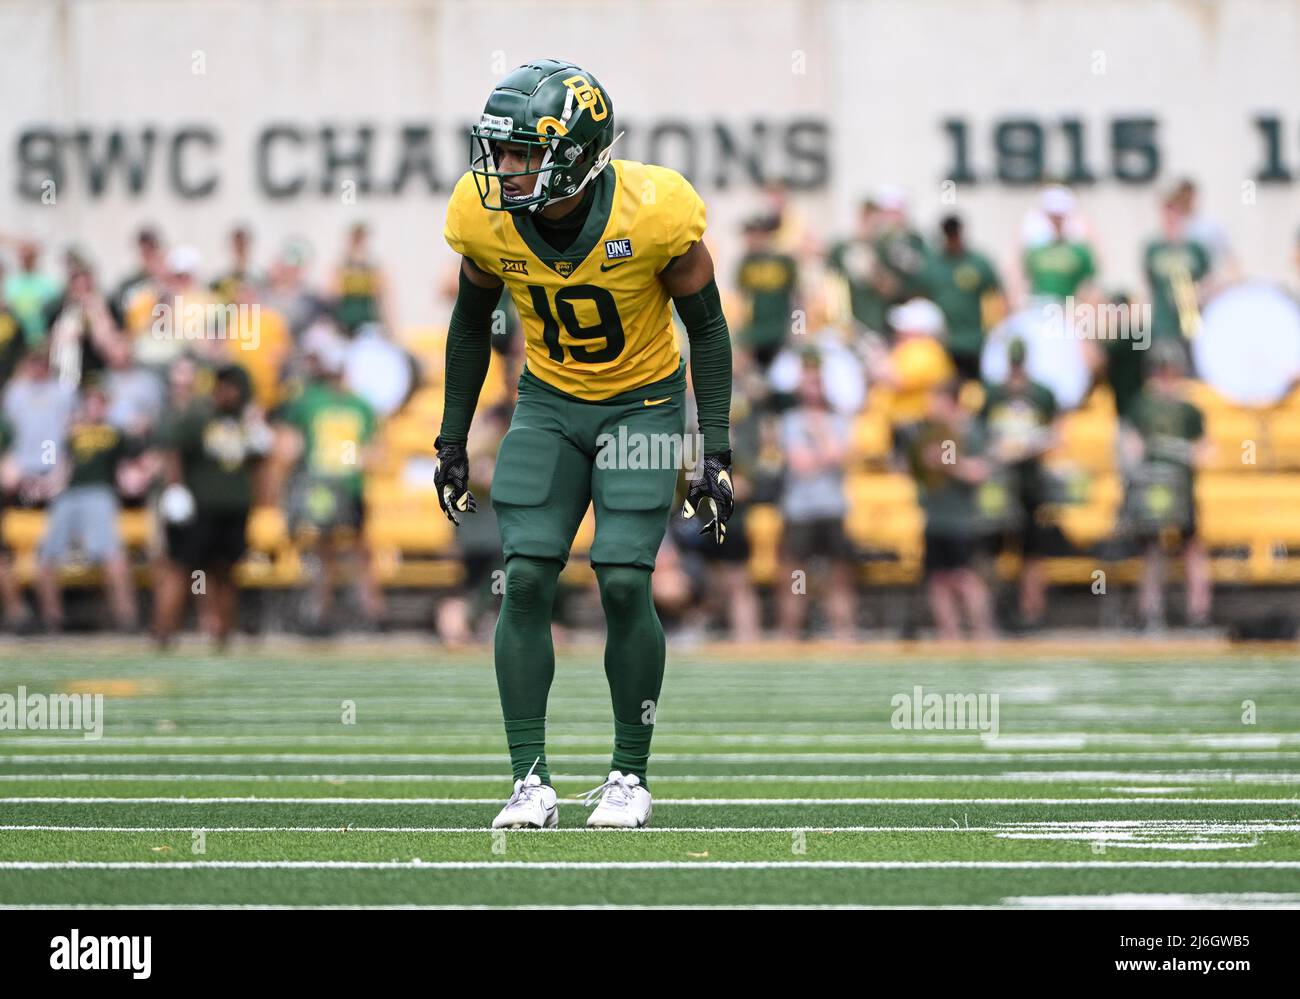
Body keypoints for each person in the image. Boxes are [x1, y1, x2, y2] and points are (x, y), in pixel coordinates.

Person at [434, 60, 734, 830]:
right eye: (499, 151)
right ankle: (528, 779)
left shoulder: (654, 209)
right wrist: (452, 435)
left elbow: (706, 325)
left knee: (626, 582)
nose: (503, 168)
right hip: (549, 403)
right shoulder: (486, 216)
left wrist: (716, 448)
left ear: (576, 152)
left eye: (523, 152)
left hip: (643, 405)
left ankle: (629, 774)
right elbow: (471, 323)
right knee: (525, 579)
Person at [273, 330, 385, 632]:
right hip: (320, 486)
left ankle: (371, 612)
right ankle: (322, 612)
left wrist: (363, 460)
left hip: (349, 485)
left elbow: (375, 449)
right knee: (326, 551)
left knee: (359, 550)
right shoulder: (309, 401)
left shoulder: (358, 405)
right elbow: (289, 446)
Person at [153, 364, 271, 649]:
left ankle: (223, 634)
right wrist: (176, 488)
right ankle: (164, 632)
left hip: (233, 509)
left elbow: (259, 461)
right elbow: (174, 452)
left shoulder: (246, 423)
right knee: (181, 568)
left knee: (226, 572)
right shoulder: (198, 417)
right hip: (199, 508)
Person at [34, 382, 139, 632]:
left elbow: (128, 469)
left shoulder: (115, 433)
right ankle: (52, 619)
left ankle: (126, 616)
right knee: (46, 555)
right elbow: (62, 467)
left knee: (111, 552)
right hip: (68, 495)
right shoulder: (71, 431)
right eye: (91, 400)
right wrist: (46, 485)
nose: (95, 406)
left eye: (100, 401)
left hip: (99, 493)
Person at [1123, 341, 1211, 630]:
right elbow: (1131, 450)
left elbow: (1207, 452)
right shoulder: (1140, 406)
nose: (1166, 379)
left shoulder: (1189, 410)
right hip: (1152, 490)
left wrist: (1178, 450)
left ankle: (1198, 610)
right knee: (1152, 550)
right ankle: (1150, 610)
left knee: (1191, 547)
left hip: (1182, 488)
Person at [980, 338, 1059, 630]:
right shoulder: (992, 395)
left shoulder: (1042, 395)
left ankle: (1032, 611)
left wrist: (1028, 448)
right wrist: (998, 452)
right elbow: (980, 434)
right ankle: (990, 611)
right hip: (1000, 482)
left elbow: (1057, 433)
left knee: (1032, 551)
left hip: (1030, 481)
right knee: (991, 549)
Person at [776, 353, 856, 641]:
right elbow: (801, 465)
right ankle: (790, 635)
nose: (813, 389)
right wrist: (826, 452)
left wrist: (820, 433)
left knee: (839, 577)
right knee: (793, 577)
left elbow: (839, 456)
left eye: (818, 383)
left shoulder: (837, 420)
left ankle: (844, 634)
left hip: (832, 507)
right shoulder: (789, 421)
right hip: (800, 510)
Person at [908, 380, 995, 641]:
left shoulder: (970, 431)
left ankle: (983, 635)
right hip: (935, 517)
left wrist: (947, 464)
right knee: (938, 580)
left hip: (961, 519)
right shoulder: (928, 432)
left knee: (964, 578)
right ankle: (950, 638)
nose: (930, 406)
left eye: (936, 400)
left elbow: (979, 471)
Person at [920, 215, 1005, 382]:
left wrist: (997, 330)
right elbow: (922, 297)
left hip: (974, 341)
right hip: (944, 343)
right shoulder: (933, 265)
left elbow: (997, 295)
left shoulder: (978, 263)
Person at [735, 214, 799, 370]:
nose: (749, 239)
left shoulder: (784, 261)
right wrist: (743, 335)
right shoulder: (745, 262)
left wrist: (798, 328)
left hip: (780, 333)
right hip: (755, 336)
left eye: (753, 234)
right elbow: (742, 300)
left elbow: (797, 297)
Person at [1023, 186, 1097, 301]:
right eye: (1053, 217)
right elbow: (1026, 279)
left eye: (1060, 217)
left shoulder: (1079, 250)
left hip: (1068, 307)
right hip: (1039, 307)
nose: (1057, 222)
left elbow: (1088, 284)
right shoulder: (1035, 250)